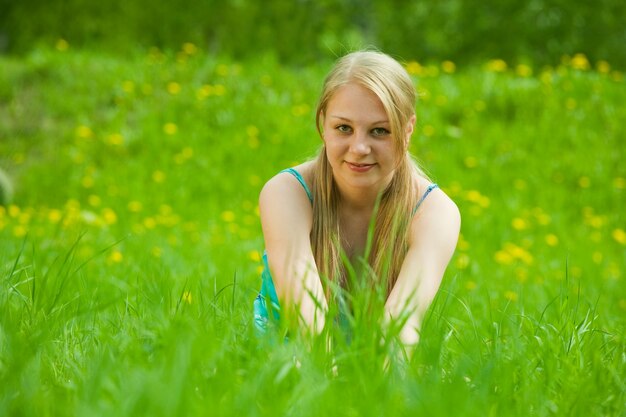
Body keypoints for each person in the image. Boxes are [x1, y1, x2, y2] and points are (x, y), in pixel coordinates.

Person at [253, 50, 460, 354]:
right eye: (344, 128)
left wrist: (378, 392)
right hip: (285, 364)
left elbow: (400, 329)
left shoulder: (434, 212)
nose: (359, 147)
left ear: (408, 130)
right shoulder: (287, 193)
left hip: (375, 371)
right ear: (323, 124)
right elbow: (307, 324)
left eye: (380, 131)